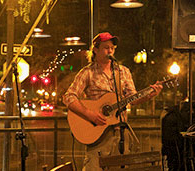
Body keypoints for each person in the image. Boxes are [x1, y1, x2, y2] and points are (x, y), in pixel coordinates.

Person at [63, 32, 163, 171]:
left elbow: (133, 98)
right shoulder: (87, 73)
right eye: (105, 47)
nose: (110, 50)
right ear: (95, 50)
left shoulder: (123, 71)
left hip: (121, 133)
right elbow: (69, 97)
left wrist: (150, 94)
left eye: (112, 47)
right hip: (98, 133)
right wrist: (89, 114)